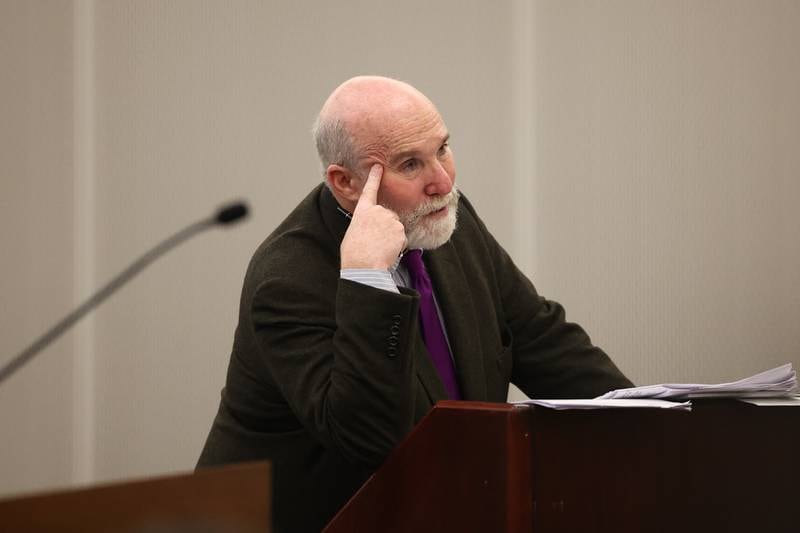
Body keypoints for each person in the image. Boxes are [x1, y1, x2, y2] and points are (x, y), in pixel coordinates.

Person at [197, 76, 632, 532]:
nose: (442, 181)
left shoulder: (441, 220)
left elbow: (541, 338)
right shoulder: (288, 278)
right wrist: (367, 280)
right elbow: (368, 438)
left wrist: (647, 422)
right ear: (345, 182)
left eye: (442, 149)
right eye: (410, 164)